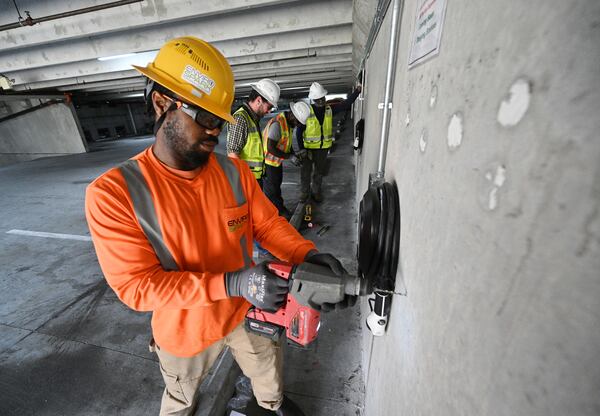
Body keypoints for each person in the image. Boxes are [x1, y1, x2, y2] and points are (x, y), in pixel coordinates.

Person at [84, 36, 350, 416]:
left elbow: (268, 225)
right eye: (206, 118)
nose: (215, 132)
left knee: (268, 376)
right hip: (184, 333)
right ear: (163, 103)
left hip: (245, 312)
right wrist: (232, 282)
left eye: (219, 121)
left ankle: (271, 406)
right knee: (180, 401)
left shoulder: (232, 172)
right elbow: (137, 287)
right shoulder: (114, 193)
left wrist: (308, 255)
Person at [296, 81, 361, 202]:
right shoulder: (306, 113)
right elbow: (299, 132)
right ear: (313, 100)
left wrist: (356, 92)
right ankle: (304, 193)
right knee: (306, 172)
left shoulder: (329, 109)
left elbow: (345, 104)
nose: (321, 101)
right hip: (308, 149)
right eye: (318, 99)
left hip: (323, 148)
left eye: (322, 98)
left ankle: (316, 192)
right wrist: (302, 149)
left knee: (319, 172)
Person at [227, 78, 280, 188]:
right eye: (269, 107)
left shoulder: (253, 118)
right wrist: (243, 182)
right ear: (259, 100)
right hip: (246, 182)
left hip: (254, 179)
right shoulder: (241, 118)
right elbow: (233, 154)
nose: (270, 111)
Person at [262, 101, 310, 217]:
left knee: (276, 188)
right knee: (272, 191)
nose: (297, 124)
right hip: (268, 164)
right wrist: (290, 157)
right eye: (297, 121)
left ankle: (278, 212)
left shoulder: (288, 123)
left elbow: (285, 143)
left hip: (276, 162)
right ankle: (279, 214)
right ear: (292, 115)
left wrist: (294, 154)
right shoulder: (277, 124)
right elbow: (270, 148)